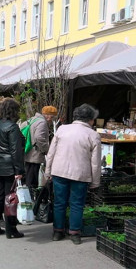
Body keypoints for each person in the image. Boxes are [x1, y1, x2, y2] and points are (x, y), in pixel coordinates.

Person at [45, 104, 102, 245]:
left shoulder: (62, 129)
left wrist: (48, 171)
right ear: (91, 120)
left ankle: (58, 231)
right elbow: (95, 163)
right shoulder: (93, 135)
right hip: (80, 174)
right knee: (77, 204)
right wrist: (95, 182)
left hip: (59, 171)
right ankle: (74, 233)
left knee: (59, 202)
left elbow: (51, 153)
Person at [0, 98, 25, 239]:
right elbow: (16, 151)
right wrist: (19, 170)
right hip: (9, 166)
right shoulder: (12, 127)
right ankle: (11, 229)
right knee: (10, 198)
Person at [23, 105, 57, 193]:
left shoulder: (31, 120)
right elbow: (39, 138)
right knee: (32, 179)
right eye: (52, 117)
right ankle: (30, 200)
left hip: (28, 152)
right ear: (48, 115)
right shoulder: (42, 123)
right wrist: (46, 150)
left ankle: (28, 197)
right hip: (35, 154)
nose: (52, 119)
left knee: (28, 177)